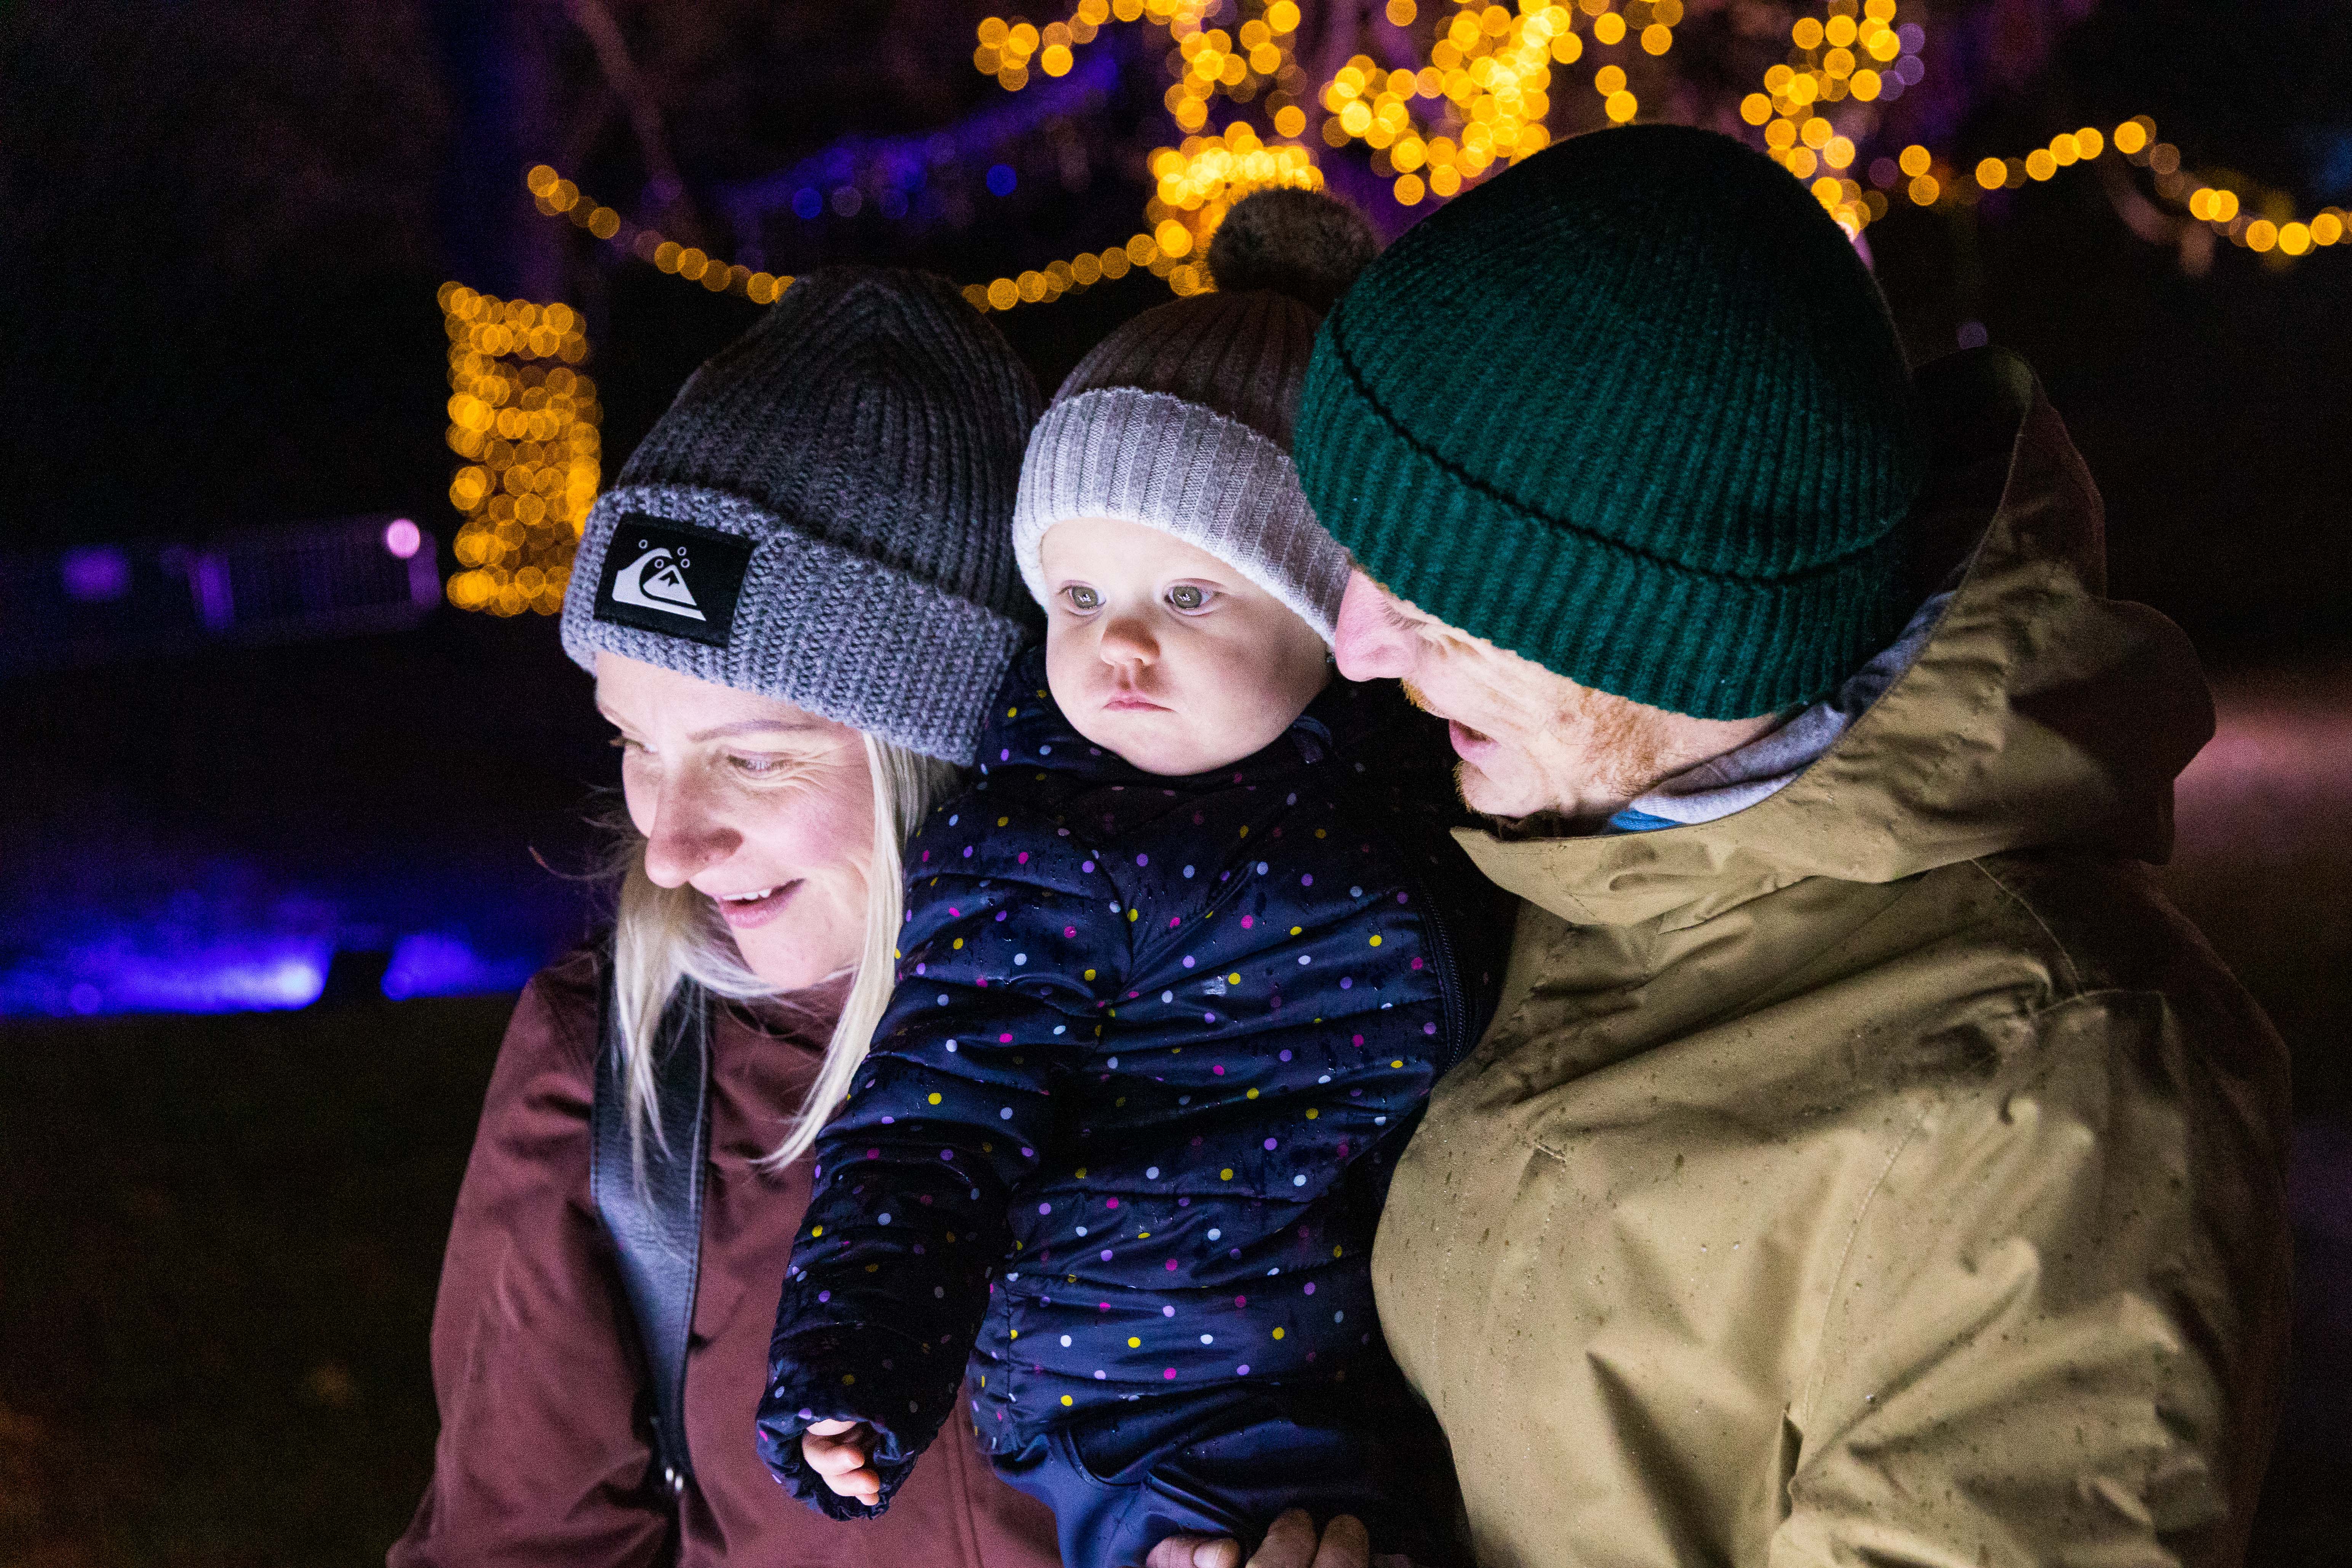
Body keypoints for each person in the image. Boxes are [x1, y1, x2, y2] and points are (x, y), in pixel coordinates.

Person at [1279, 125, 2294, 1567]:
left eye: (1439, 603)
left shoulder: (2060, 1095)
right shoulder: (1584, 847)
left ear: (1659, 632)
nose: (1360, 643)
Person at [750, 190, 1504, 1568]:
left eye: (1192, 596)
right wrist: (861, 1356)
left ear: (1333, 610)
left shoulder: (1398, 773)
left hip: (1348, 1333)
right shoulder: (1047, 841)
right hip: (1158, 1376)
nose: (1119, 650)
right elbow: (937, 1119)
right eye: (1080, 598)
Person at [389, 269, 1062, 1568]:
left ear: (952, 745)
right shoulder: (618, 1078)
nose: (670, 840)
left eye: (754, 759)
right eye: (636, 743)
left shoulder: (1227, 1018)